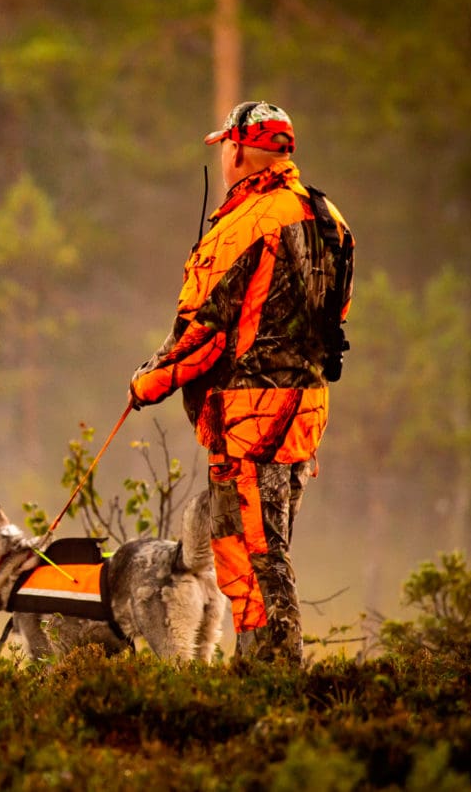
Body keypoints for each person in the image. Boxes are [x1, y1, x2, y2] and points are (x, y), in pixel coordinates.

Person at [127, 101, 354, 665]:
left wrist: (146, 384)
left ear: (239, 150)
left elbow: (201, 333)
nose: (223, 156)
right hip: (305, 411)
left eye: (225, 145)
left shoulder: (246, 225)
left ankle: (269, 683)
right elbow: (338, 315)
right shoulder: (330, 218)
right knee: (271, 547)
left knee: (249, 556)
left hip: (251, 419)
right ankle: (267, 674)